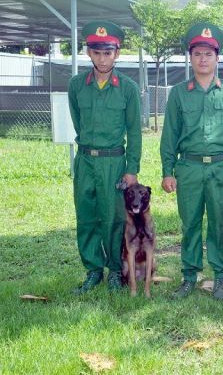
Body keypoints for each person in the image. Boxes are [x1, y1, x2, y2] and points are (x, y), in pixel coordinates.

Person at [160, 22, 223, 300]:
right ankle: (189, 276)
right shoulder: (178, 93)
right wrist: (167, 170)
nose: (203, 59)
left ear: (217, 58)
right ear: (190, 58)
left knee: (219, 222)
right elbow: (169, 135)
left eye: (208, 54)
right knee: (189, 223)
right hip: (188, 167)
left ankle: (220, 275)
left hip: (221, 167)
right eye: (198, 54)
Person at [68, 20, 142, 294]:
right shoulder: (77, 85)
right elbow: (78, 122)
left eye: (107, 52)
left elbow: (135, 131)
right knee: (86, 216)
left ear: (117, 53)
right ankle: (93, 270)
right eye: (96, 52)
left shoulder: (127, 88)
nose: (102, 58)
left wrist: (131, 168)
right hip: (86, 160)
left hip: (113, 162)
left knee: (113, 218)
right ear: (88, 53)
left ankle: (114, 270)